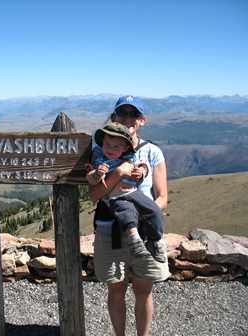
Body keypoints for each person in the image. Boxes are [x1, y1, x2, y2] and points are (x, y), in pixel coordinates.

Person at [88, 95, 170, 336]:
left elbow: (162, 196)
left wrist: (142, 217)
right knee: (116, 290)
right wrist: (119, 172)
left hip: (142, 231)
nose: (127, 118)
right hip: (109, 228)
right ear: (113, 118)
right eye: (122, 113)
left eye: (133, 114)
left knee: (144, 291)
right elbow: (94, 195)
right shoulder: (100, 152)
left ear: (142, 120)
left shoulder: (152, 152)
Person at [86, 122, 166, 263]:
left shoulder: (129, 158)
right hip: (118, 197)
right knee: (127, 213)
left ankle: (154, 241)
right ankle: (135, 241)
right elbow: (91, 179)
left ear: (125, 148)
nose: (110, 149)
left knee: (153, 209)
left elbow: (143, 166)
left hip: (133, 193)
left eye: (116, 146)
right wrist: (98, 174)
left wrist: (140, 172)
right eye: (107, 145)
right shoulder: (100, 161)